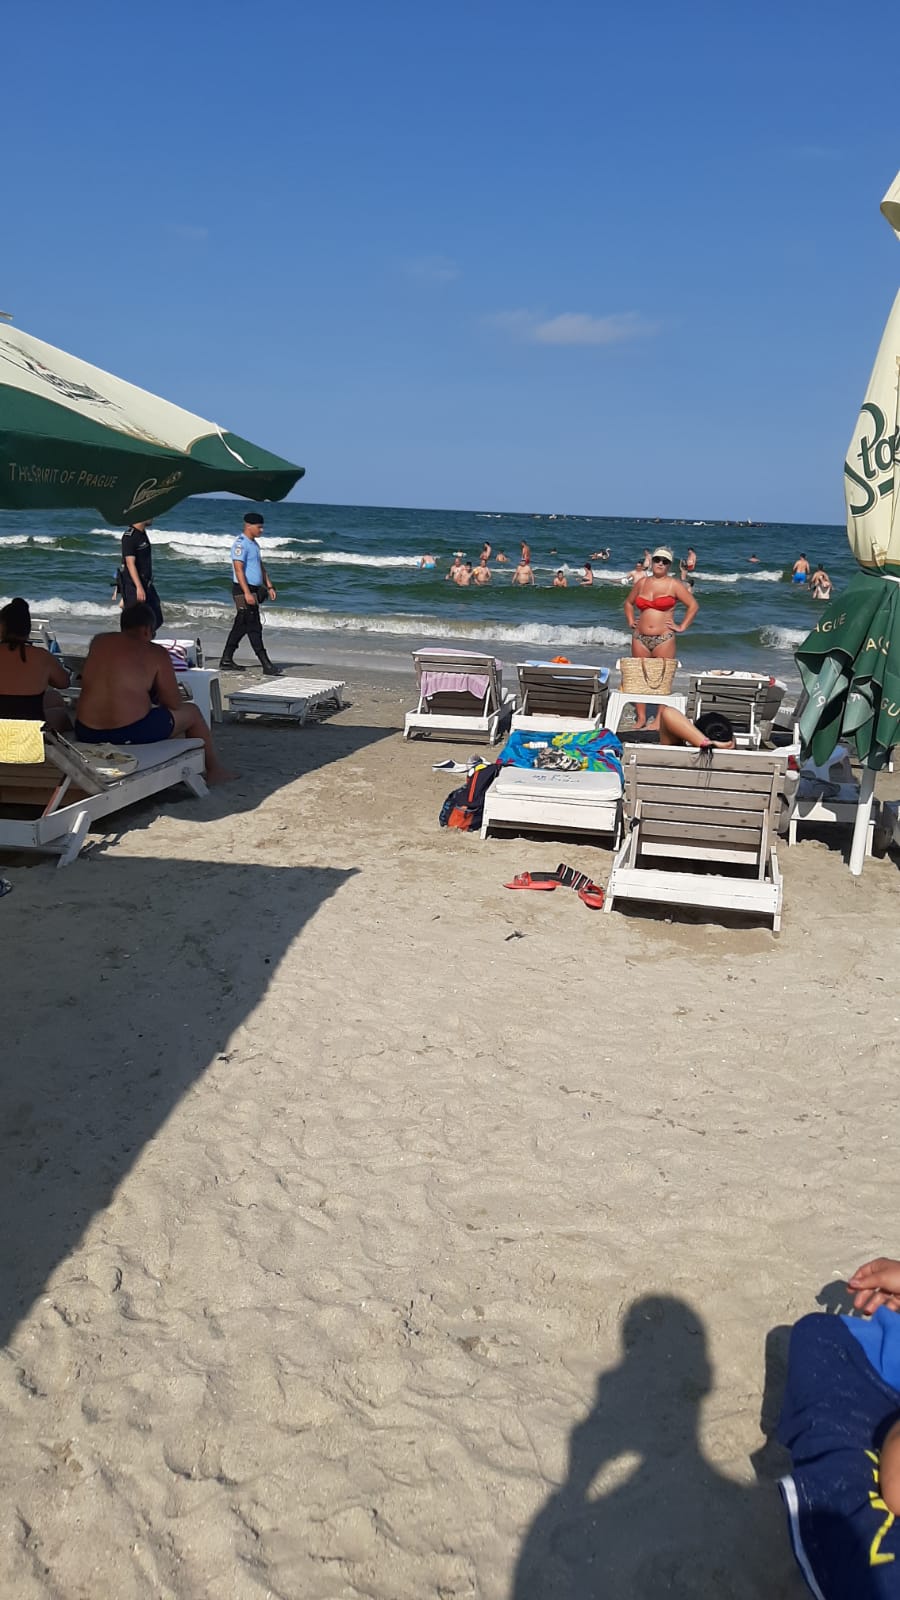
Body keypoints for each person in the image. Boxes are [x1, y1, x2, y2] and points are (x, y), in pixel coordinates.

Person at [75, 603, 233, 783]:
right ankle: (214, 771)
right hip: (128, 733)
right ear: (147, 629)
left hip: (87, 731)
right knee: (192, 712)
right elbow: (173, 703)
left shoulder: (99, 641)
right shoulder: (156, 652)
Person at [623, 546, 699, 729]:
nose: (660, 564)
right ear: (652, 562)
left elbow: (693, 605)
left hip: (664, 638)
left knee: (663, 679)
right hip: (639, 637)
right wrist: (631, 620)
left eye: (665, 561)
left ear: (669, 565)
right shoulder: (642, 583)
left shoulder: (674, 585)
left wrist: (681, 626)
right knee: (638, 677)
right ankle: (641, 717)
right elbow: (628, 603)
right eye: (657, 560)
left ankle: (658, 720)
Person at [219, 512, 280, 675]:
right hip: (242, 590)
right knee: (254, 626)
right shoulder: (240, 544)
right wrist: (246, 593)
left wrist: (269, 586)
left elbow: (260, 566)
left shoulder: (254, 544)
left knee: (241, 625)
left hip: (253, 589)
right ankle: (266, 664)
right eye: (259, 527)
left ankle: (226, 659)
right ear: (248, 526)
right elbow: (238, 570)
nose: (262, 530)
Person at [0, 598, 70, 730]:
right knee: (60, 710)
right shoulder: (41, 656)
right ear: (27, 629)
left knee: (53, 698)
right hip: (29, 731)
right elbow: (64, 683)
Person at [119, 520, 163, 631]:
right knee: (136, 624)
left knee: (157, 619)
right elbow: (130, 563)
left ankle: (144, 640)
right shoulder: (129, 537)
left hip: (146, 584)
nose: (152, 518)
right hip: (135, 586)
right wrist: (138, 587)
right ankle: (132, 641)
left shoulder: (142, 533)